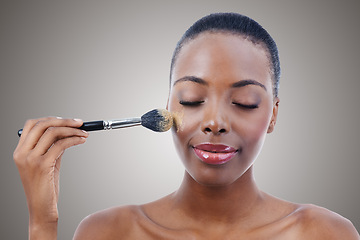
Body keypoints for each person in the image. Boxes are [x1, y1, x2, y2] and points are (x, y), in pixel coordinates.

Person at [13, 12, 359, 239]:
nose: (214, 122)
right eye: (192, 98)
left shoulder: (323, 232)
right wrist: (42, 223)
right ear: (167, 108)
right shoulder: (109, 231)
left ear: (273, 115)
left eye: (244, 102)